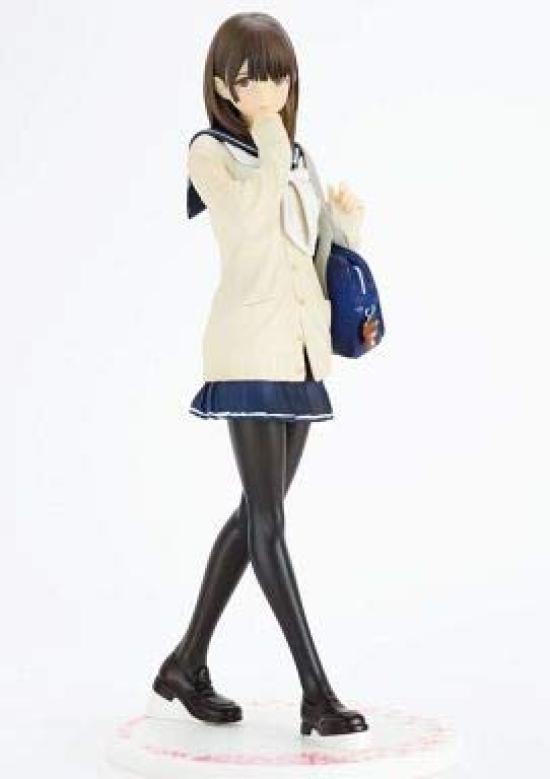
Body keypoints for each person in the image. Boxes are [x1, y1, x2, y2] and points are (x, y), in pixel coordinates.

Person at [153, 12, 379, 737]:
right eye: (251, 77)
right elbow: (250, 227)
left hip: (299, 352)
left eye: (277, 75)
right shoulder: (209, 152)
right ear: (224, 86)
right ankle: (317, 693)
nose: (267, 90)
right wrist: (272, 138)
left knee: (259, 513)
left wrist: (342, 229)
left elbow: (303, 255)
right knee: (269, 522)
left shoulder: (297, 154)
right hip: (248, 347)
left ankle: (185, 662)